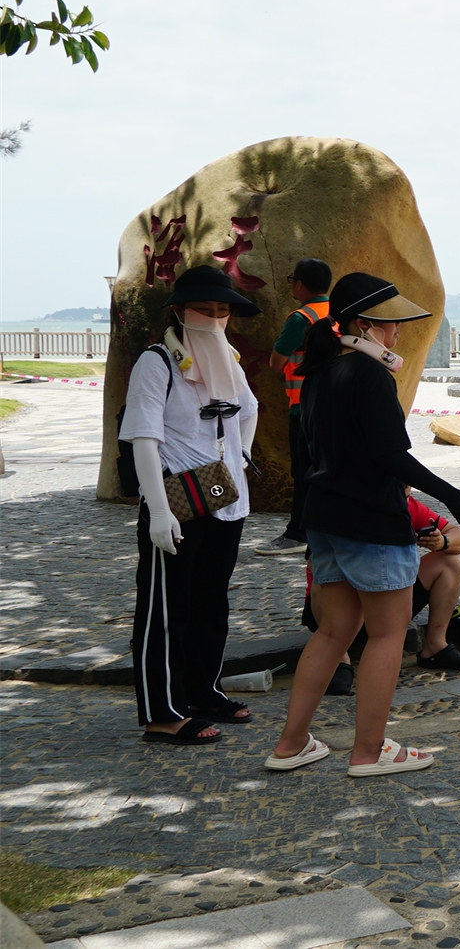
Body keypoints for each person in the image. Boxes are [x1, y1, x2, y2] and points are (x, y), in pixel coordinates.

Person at [263, 273, 460, 777]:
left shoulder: (320, 372)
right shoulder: (369, 375)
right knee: (386, 635)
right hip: (369, 520)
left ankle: (291, 744)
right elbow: (391, 456)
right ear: (364, 325)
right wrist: (454, 496)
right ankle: (369, 751)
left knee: (333, 632)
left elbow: (312, 454)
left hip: (324, 519)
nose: (398, 332)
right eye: (390, 324)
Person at [120, 265, 262, 745]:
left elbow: (249, 410)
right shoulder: (157, 362)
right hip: (177, 498)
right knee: (166, 608)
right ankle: (162, 712)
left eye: (223, 310)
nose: (215, 318)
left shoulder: (227, 358)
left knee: (211, 602)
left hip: (224, 497)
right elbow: (143, 436)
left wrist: (239, 459)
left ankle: (203, 691)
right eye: (205, 309)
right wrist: (159, 510)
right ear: (180, 311)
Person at [304, 490, 460, 690]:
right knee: (326, 579)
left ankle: (435, 645)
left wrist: (443, 542)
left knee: (451, 561)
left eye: (405, 494)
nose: (402, 500)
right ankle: (338, 659)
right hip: (339, 605)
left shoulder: (407, 506)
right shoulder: (344, 508)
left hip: (388, 599)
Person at [254, 258, 330, 556]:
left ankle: (298, 533)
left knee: (303, 472)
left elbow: (277, 361)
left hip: (303, 406)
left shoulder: (302, 318)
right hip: (333, 405)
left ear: (299, 284)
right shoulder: (337, 312)